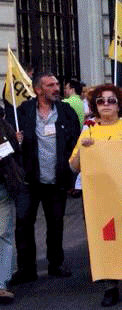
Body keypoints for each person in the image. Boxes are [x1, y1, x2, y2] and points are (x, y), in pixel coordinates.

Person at [68, 84, 122, 306]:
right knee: (104, 239)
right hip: (99, 197)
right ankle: (110, 285)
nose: (106, 105)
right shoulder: (89, 131)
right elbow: (74, 166)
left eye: (111, 101)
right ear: (95, 106)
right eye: (101, 101)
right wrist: (84, 149)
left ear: (120, 104)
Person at [11, 71, 80, 286]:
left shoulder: (66, 111)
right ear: (38, 90)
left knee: (56, 223)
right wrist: (15, 139)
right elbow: (10, 140)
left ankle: (56, 263)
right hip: (29, 180)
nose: (56, 88)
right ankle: (26, 269)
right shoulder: (22, 111)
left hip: (56, 179)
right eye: (50, 85)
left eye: (57, 84)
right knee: (23, 224)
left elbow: (75, 145)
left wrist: (72, 179)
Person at [0, 116, 24, 304]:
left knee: (4, 234)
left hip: (3, 186)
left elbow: (14, 149)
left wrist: (15, 140)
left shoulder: (2, 123)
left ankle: (1, 285)